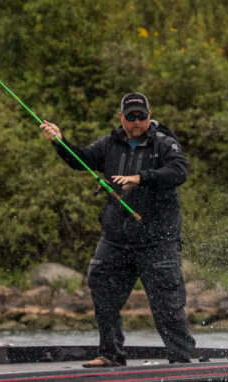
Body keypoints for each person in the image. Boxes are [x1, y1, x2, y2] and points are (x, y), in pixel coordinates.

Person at [40, 92, 196, 367]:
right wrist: (60, 142)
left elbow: (179, 172)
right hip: (117, 240)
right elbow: (82, 160)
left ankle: (181, 360)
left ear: (149, 115)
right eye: (131, 116)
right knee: (102, 289)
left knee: (167, 305)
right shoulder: (109, 144)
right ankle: (110, 354)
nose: (137, 121)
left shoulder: (164, 144)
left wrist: (140, 178)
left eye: (142, 116)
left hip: (158, 241)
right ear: (121, 117)